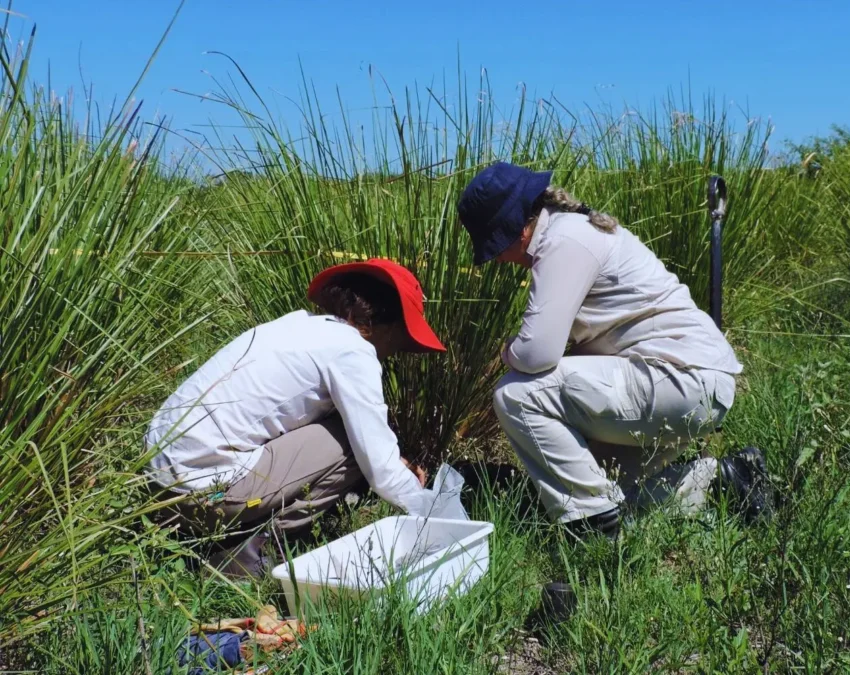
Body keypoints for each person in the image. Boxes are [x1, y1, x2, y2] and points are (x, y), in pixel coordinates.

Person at [458, 162, 768, 544]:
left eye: (496, 247)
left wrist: (506, 351)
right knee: (615, 491)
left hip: (680, 380)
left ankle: (592, 529)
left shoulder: (564, 241)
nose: (499, 260)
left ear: (519, 228)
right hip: (687, 383)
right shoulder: (570, 233)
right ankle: (726, 479)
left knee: (515, 394)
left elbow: (537, 353)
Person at [146, 259, 444, 576]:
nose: (394, 352)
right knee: (350, 446)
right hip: (206, 495)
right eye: (401, 341)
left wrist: (390, 456)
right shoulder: (353, 352)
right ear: (389, 325)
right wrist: (427, 509)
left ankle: (220, 538)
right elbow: (379, 468)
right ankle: (248, 558)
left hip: (159, 487)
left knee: (351, 436)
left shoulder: (298, 327)